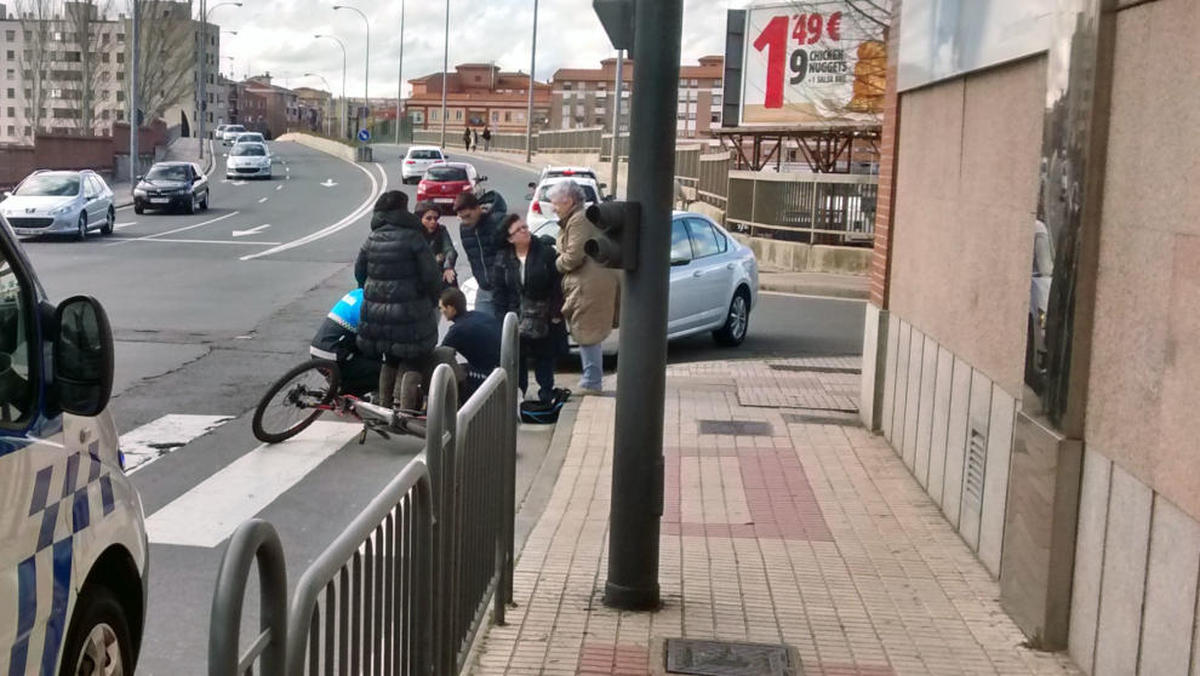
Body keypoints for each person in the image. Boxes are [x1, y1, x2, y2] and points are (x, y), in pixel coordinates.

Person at [355, 190, 442, 410]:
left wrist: (371, 292)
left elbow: (359, 272)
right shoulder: (414, 237)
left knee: (389, 358)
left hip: (375, 311)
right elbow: (431, 275)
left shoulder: (372, 238)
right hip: (409, 311)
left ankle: (384, 407)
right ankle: (402, 409)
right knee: (411, 357)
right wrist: (430, 299)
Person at [550, 180, 619, 394]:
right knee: (586, 329)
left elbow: (573, 257)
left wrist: (556, 261)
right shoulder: (577, 218)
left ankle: (592, 381)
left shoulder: (578, 220)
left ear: (568, 201)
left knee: (588, 330)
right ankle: (590, 378)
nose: (553, 208)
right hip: (587, 283)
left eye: (555, 203)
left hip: (588, 285)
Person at [492, 214, 566, 403]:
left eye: (525, 227)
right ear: (510, 238)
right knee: (519, 358)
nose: (525, 231)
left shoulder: (545, 253)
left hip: (543, 315)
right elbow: (499, 290)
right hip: (515, 315)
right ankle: (519, 396)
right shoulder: (503, 258)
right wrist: (502, 318)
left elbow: (558, 285)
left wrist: (556, 312)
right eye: (519, 229)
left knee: (545, 356)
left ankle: (546, 395)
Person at [310, 288, 380, 397]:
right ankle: (344, 393)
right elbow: (369, 344)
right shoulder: (368, 307)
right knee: (379, 371)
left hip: (316, 350)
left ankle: (339, 383)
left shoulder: (357, 293)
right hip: (331, 355)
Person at [438, 287, 501, 400]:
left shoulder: (457, 330)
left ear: (451, 308)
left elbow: (441, 356)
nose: (441, 311)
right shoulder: (478, 315)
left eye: (442, 308)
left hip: (488, 373)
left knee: (453, 374)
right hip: (501, 368)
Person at [453, 189, 509, 317]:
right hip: (484, 287)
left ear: (478, 208)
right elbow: (473, 258)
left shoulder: (498, 221)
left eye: (468, 216)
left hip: (505, 288)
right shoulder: (464, 228)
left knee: (506, 331)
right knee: (482, 328)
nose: (466, 221)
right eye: (462, 218)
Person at [414, 201, 459, 288]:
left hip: (438, 274)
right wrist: (435, 259)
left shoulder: (441, 230)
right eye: (428, 218)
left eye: (435, 218)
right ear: (419, 219)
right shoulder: (413, 233)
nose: (433, 222)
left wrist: (448, 267)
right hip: (419, 277)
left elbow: (450, 250)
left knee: (450, 277)